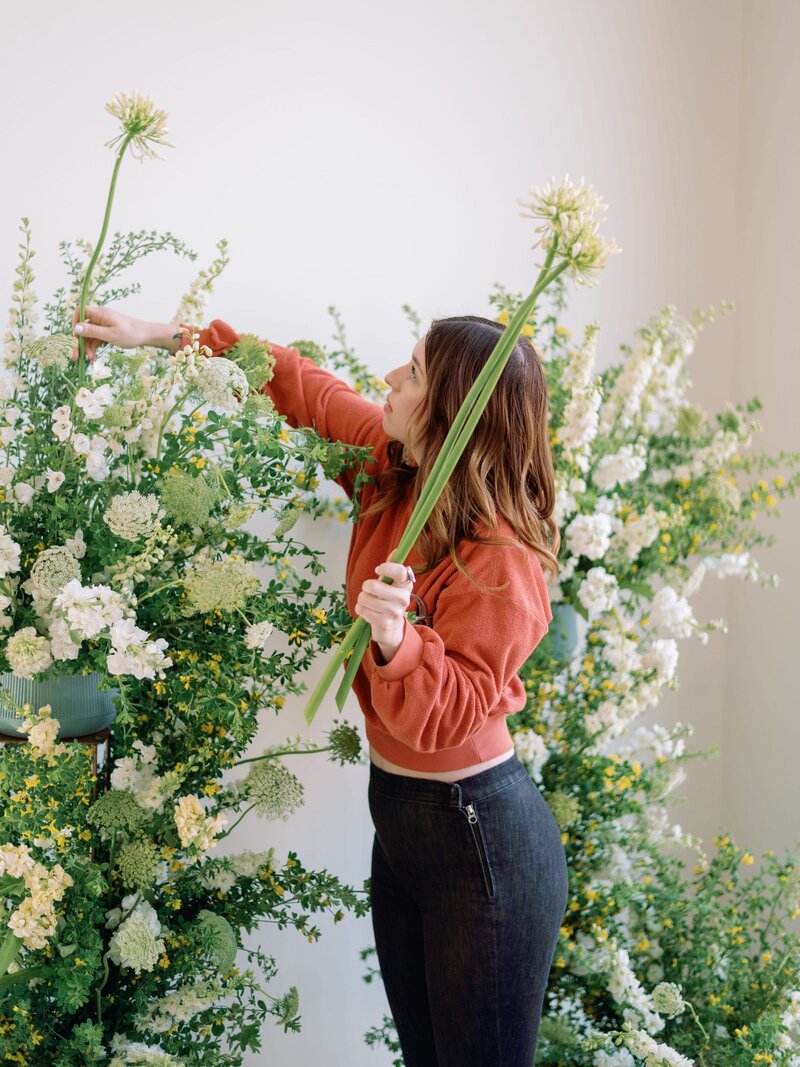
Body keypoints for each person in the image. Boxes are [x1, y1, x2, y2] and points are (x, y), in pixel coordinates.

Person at [72, 306, 570, 1067]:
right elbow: (296, 382)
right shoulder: (388, 464)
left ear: (450, 411)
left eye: (412, 374)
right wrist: (161, 337)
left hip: (480, 839)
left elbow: (455, 710)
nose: (390, 381)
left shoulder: (502, 555)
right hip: (403, 816)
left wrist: (401, 643)